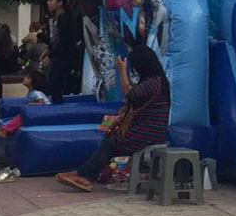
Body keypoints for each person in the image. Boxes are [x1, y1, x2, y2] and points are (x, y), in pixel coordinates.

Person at [55, 45, 170, 192]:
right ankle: (83, 174)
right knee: (110, 140)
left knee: (110, 143)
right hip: (149, 131)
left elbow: (129, 93)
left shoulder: (153, 82)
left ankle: (86, 176)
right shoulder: (156, 81)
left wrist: (121, 70)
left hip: (147, 133)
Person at [0, 71, 51, 138]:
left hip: (44, 112)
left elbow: (42, 103)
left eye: (27, 77)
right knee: (17, 117)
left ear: (32, 81)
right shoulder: (31, 93)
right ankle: (3, 128)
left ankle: (6, 132)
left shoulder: (37, 93)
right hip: (37, 111)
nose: (24, 78)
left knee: (20, 118)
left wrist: (32, 104)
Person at [42, 0, 75, 104]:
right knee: (54, 85)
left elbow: (63, 42)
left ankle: (59, 109)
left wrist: (50, 56)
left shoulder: (64, 19)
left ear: (60, 2)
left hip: (63, 57)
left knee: (55, 84)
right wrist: (48, 50)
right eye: (48, 0)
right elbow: (55, 39)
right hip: (58, 55)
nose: (48, 3)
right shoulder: (56, 18)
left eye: (51, 0)